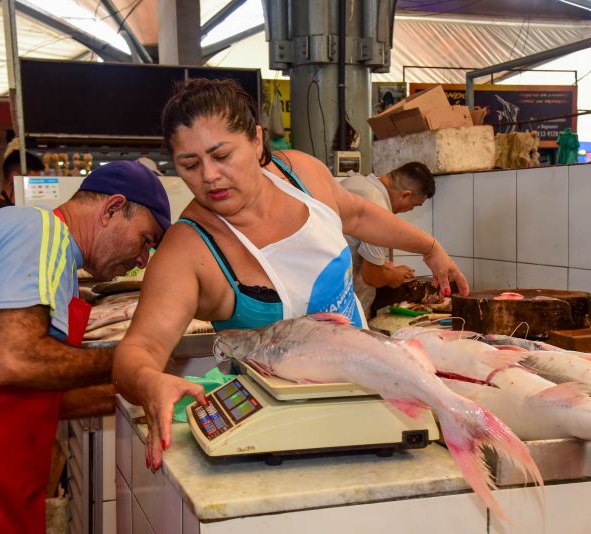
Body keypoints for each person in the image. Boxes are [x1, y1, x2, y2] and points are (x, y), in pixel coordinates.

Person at [111, 78, 470, 471]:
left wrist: (429, 248)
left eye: (222, 155)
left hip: (375, 407)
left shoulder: (300, 173)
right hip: (281, 441)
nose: (209, 176)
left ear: (257, 141)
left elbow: (357, 214)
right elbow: (137, 350)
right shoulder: (189, 249)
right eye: (190, 165)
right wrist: (148, 382)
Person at [0, 160, 170, 532]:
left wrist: (139, 392)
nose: (142, 259)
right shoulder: (39, 231)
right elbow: (12, 360)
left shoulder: (57, 259)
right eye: (146, 239)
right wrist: (130, 359)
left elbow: (36, 395)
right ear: (112, 208)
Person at [342, 162, 436, 317]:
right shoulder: (379, 209)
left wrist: (382, 265)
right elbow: (371, 276)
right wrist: (394, 276)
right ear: (405, 194)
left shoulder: (355, 181)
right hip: (344, 312)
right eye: (413, 205)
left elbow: (350, 244)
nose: (409, 210)